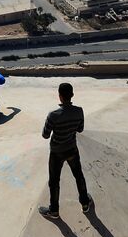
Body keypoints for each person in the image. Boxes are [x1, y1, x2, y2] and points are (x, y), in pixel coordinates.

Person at [39, 81, 92, 220]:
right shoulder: (79, 111)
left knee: (54, 181)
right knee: (78, 175)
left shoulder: (53, 115)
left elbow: (45, 135)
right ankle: (85, 203)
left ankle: (54, 211)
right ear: (72, 95)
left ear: (60, 96)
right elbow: (80, 129)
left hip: (57, 152)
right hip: (72, 149)